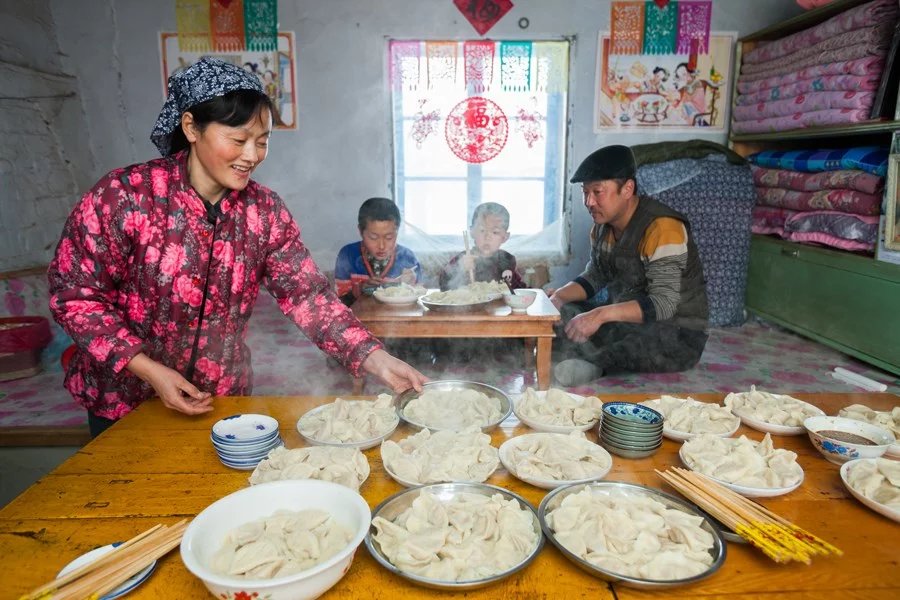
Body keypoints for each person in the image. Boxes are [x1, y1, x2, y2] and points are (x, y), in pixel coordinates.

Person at [47, 57, 426, 437]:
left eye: (262, 142)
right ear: (192, 127)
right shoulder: (124, 196)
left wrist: (374, 358)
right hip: (123, 401)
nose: (252, 156)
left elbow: (307, 297)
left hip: (219, 400)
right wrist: (147, 368)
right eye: (239, 139)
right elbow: (75, 296)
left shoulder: (264, 212)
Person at [548, 145, 708, 386]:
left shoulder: (663, 228)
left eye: (598, 192)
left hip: (676, 332)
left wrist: (599, 315)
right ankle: (580, 354)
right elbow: (596, 274)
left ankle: (596, 363)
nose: (589, 201)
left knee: (630, 344)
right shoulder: (602, 226)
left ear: (627, 189)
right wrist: (558, 298)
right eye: (585, 192)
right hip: (627, 322)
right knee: (569, 314)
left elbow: (664, 304)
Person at [334, 197, 420, 305]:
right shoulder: (348, 255)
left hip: (398, 321)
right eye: (373, 237)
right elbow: (338, 306)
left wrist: (409, 286)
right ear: (360, 231)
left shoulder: (408, 258)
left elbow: (419, 304)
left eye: (389, 237)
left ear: (397, 232)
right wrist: (360, 290)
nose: (382, 246)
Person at [438, 202, 525, 291]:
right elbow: (443, 286)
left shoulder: (507, 261)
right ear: (472, 232)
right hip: (470, 304)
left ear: (505, 237)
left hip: (499, 305)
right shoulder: (463, 259)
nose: (487, 237)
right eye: (482, 230)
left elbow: (518, 289)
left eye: (495, 232)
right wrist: (461, 269)